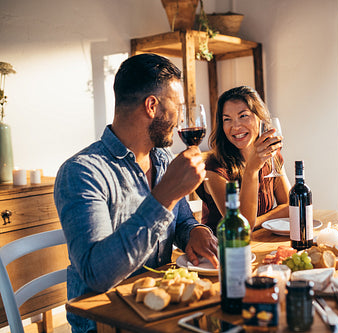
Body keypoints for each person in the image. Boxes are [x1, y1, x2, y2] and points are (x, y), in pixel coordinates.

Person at [54, 53, 217, 333]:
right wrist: (163, 197)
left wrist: (195, 231)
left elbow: (182, 222)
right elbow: (97, 275)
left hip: (161, 311)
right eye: (176, 106)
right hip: (107, 322)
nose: (179, 120)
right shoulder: (82, 173)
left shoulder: (164, 159)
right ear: (151, 105)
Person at [195, 86, 290, 232]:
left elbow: (290, 205)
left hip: (259, 241)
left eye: (243, 116)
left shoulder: (271, 155)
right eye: (227, 119)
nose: (236, 126)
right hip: (222, 249)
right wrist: (251, 170)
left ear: (260, 118)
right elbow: (240, 227)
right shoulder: (214, 169)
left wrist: (258, 222)